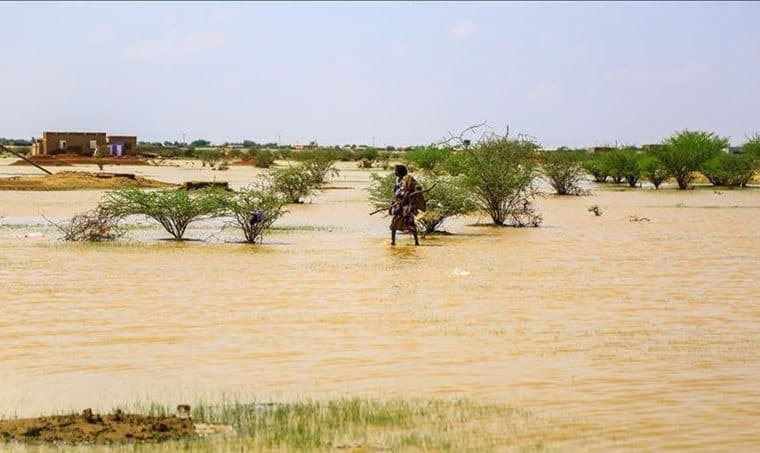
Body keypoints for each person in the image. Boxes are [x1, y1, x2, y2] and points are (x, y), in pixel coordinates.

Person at [389, 164, 424, 246]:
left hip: (406, 205)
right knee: (394, 224)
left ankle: (416, 242)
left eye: (396, 171)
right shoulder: (398, 181)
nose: (395, 173)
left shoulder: (408, 179)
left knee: (410, 223)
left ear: (400, 172)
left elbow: (416, 188)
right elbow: (396, 193)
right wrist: (393, 203)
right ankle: (393, 242)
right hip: (398, 204)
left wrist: (409, 194)